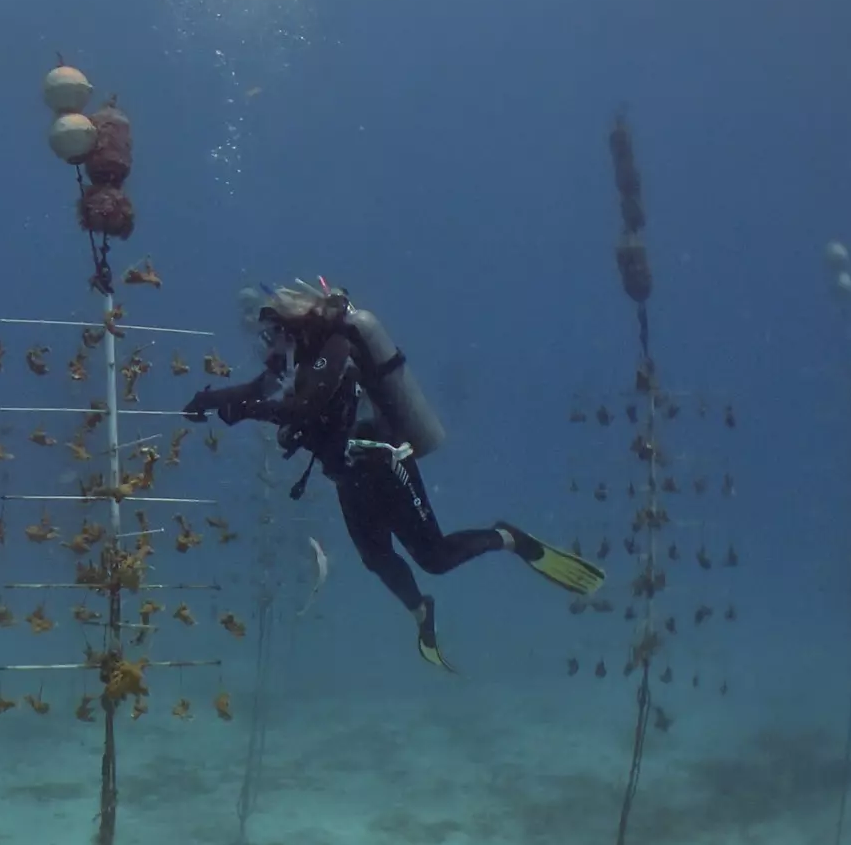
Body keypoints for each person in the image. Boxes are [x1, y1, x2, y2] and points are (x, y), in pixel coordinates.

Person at [182, 279, 603, 669]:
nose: (268, 347)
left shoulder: (336, 346)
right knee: (377, 559)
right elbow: (259, 392)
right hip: (347, 477)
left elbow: (303, 407)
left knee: (434, 557)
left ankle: (509, 538)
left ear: (288, 324)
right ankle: (422, 611)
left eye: (270, 335)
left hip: (385, 467)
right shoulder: (296, 357)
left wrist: (248, 412)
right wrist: (211, 399)